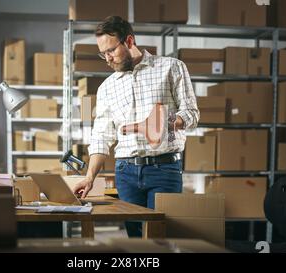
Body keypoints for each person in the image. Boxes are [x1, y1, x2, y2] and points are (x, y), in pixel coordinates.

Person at [73, 15, 200, 237]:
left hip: (164, 168)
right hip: (126, 172)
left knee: (162, 237)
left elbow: (191, 114)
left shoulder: (171, 67)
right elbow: (102, 137)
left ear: (129, 41)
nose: (107, 59)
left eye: (111, 50)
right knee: (136, 239)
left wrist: (164, 123)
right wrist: (89, 177)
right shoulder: (107, 88)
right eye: (102, 53)